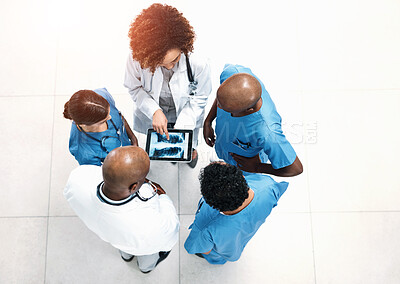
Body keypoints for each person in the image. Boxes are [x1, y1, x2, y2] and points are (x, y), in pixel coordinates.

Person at [64, 146, 179, 273]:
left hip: (113, 236)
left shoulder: (78, 178)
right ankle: (145, 268)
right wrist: (163, 196)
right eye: (144, 178)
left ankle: (126, 257)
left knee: (123, 246)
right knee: (147, 260)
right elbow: (170, 235)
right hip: (143, 246)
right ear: (134, 187)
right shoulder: (151, 226)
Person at [124, 3, 212, 168]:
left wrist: (184, 124)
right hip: (155, 108)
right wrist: (154, 110)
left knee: (187, 142)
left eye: (175, 59)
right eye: (162, 64)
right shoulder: (137, 58)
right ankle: (174, 151)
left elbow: (201, 96)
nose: (171, 67)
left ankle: (189, 153)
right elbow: (134, 87)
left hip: (187, 109)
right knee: (162, 139)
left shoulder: (198, 62)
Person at [203, 64, 303, 177]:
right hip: (224, 146)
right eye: (219, 104)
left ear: (249, 110)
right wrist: (208, 121)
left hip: (245, 165)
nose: (219, 107)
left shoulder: (267, 132)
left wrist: (257, 167)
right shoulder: (233, 73)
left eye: (227, 109)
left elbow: (295, 168)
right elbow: (222, 97)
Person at [184, 162, 288, 264]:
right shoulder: (267, 185)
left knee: (214, 255)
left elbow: (203, 249)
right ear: (243, 177)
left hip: (221, 251)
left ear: (210, 202)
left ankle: (216, 260)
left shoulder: (206, 226)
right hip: (238, 243)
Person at [64, 88, 138, 166]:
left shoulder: (101, 97)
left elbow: (120, 118)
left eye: (109, 113)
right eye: (103, 121)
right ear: (83, 125)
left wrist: (133, 138)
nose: (110, 118)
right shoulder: (83, 151)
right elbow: (103, 172)